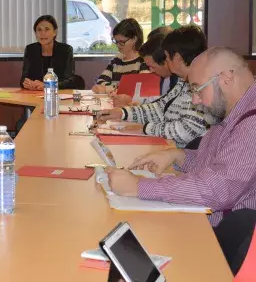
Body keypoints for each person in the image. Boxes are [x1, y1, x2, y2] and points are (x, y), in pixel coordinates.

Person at [107, 47, 256, 227]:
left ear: (226, 78)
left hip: (228, 238)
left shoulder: (251, 124)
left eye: (198, 90)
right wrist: (179, 156)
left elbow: (217, 189)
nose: (195, 100)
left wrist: (139, 186)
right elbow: (218, 164)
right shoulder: (234, 111)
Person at [98, 26, 217, 148]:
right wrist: (122, 113)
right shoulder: (183, 82)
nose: (165, 61)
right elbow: (160, 109)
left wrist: (144, 129)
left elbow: (186, 131)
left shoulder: (203, 87)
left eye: (166, 56)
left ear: (177, 58)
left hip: (184, 158)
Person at [110, 26, 178, 107]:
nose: (151, 71)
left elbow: (166, 104)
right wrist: (135, 101)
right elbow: (162, 99)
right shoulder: (166, 76)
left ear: (166, 60)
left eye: (153, 66)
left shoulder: (179, 80)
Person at [92, 18, 149, 94]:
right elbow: (100, 81)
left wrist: (107, 89)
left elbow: (138, 88)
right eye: (116, 41)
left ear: (135, 39)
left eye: (122, 42)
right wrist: (117, 88)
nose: (118, 45)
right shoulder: (117, 59)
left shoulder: (144, 60)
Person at [20, 15, 78, 90]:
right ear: (35, 33)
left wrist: (48, 85)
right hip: (33, 94)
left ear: (55, 32)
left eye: (47, 29)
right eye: (39, 30)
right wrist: (27, 83)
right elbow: (23, 78)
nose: (43, 33)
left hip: (58, 95)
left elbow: (70, 81)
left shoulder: (65, 50)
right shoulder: (30, 49)